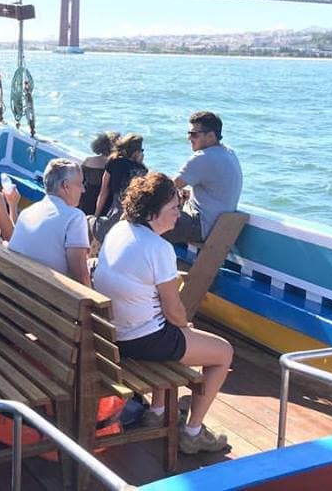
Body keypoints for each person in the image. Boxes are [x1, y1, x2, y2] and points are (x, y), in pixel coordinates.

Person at [93, 173, 233, 455]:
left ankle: (156, 412)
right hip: (140, 340)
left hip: (111, 333)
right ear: (152, 212)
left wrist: (180, 328)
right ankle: (193, 432)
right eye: (173, 209)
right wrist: (186, 328)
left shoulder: (120, 230)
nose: (177, 216)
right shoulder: (159, 249)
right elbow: (174, 309)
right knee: (223, 353)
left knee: (171, 329)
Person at [164, 111, 243, 245]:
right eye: (189, 133)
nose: (189, 138)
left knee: (146, 220)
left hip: (200, 226)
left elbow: (166, 188)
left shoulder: (203, 158)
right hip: (219, 226)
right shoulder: (229, 153)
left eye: (194, 134)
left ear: (211, 136)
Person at [10, 159, 91, 287]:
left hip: (13, 291)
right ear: (66, 185)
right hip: (45, 300)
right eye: (80, 184)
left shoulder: (28, 211)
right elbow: (80, 276)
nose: (83, 190)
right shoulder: (75, 217)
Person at [79, 131, 119, 216]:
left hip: (87, 198)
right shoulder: (115, 165)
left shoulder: (88, 161)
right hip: (105, 204)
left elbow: (80, 180)